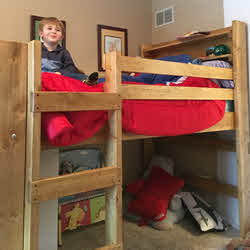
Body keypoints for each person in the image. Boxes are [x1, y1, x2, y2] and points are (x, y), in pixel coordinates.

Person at [38, 17, 98, 85]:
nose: (53, 31)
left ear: (61, 37)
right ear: (41, 33)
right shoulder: (36, 49)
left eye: (58, 30)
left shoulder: (63, 52)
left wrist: (60, 72)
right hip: (41, 77)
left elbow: (70, 68)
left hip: (58, 77)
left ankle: (88, 81)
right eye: (49, 28)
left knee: (75, 74)